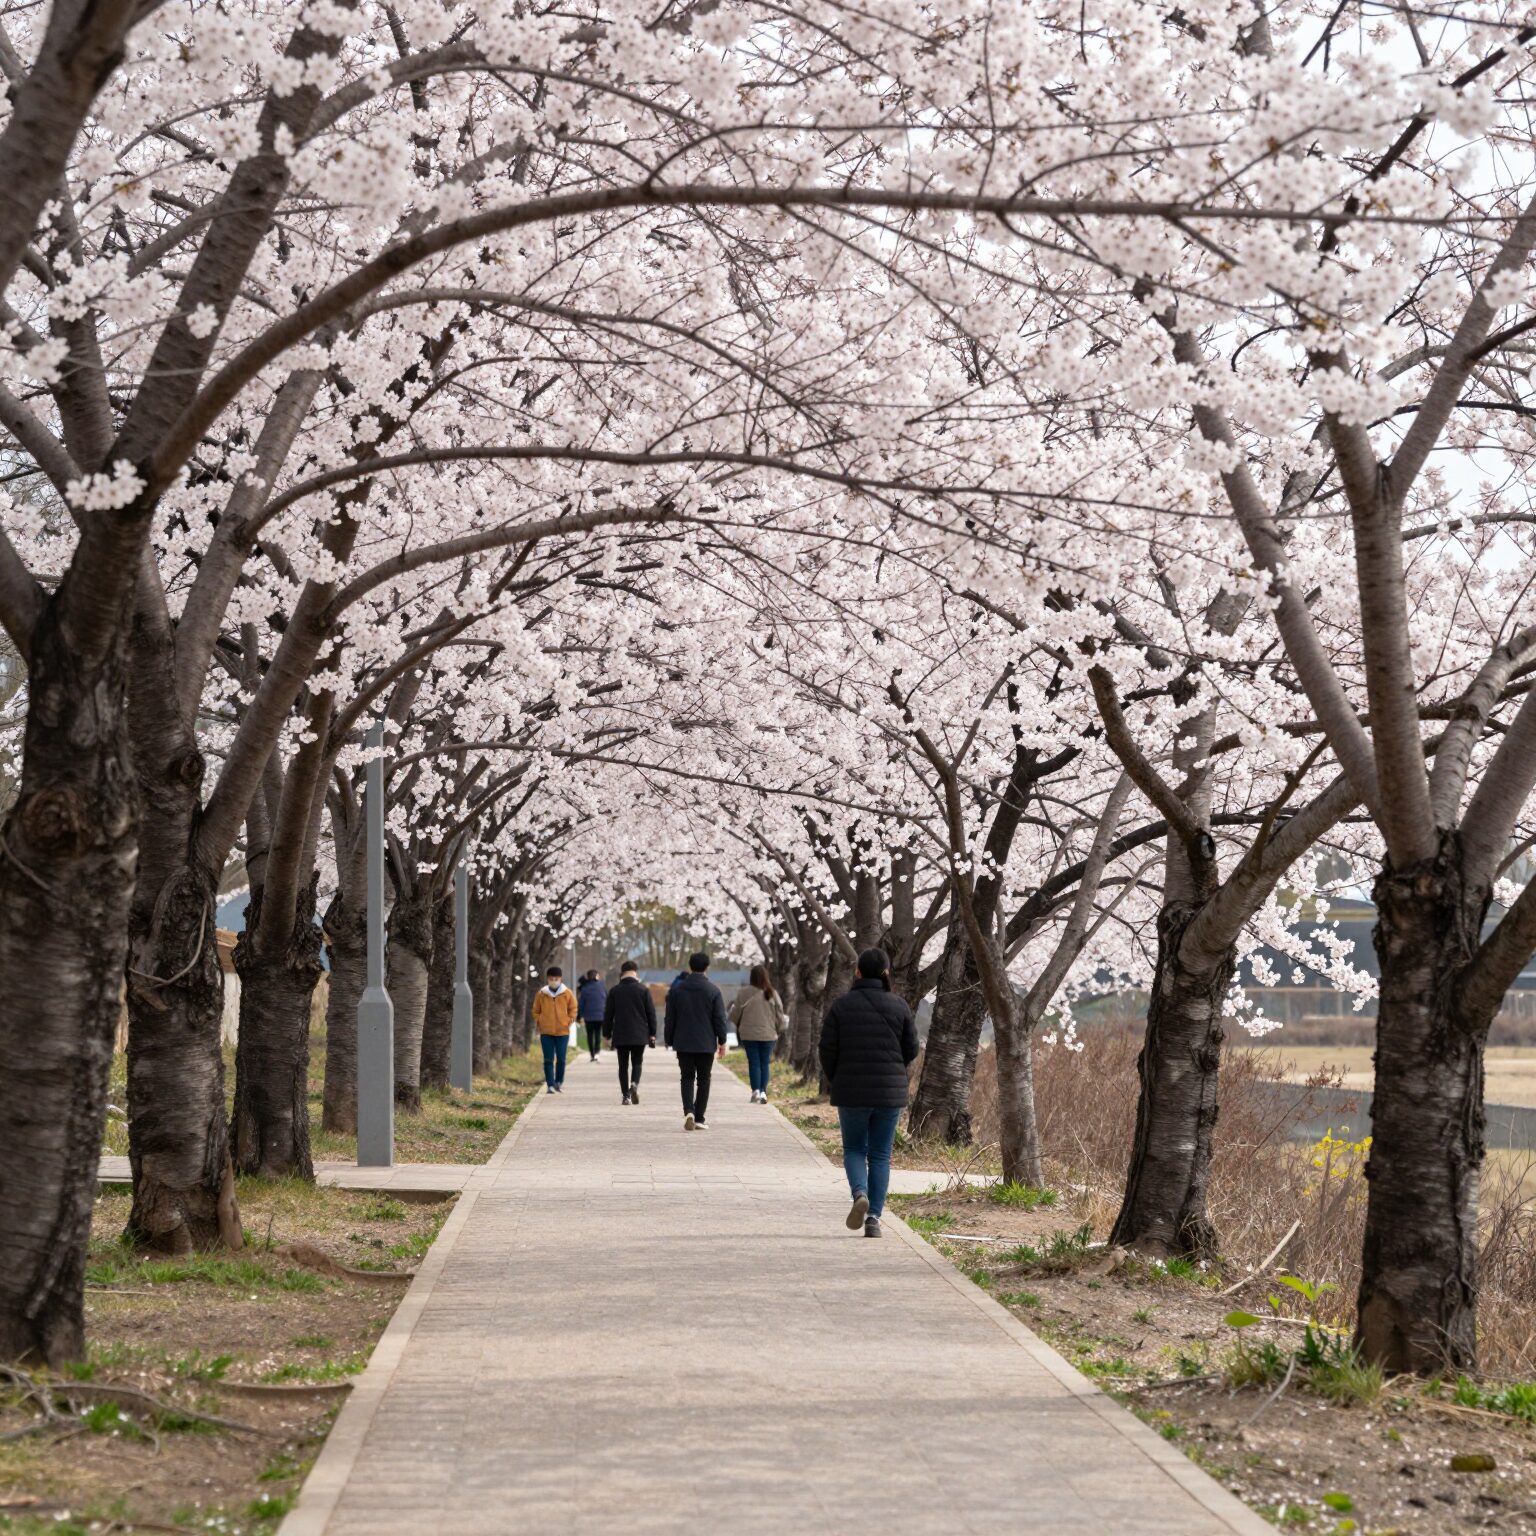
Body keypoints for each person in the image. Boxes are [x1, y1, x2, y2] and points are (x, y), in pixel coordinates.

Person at [819, 947, 919, 1238]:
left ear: (858, 972)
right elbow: (912, 1048)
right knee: (880, 1154)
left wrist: (836, 1078)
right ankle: (874, 1218)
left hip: (851, 1090)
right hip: (889, 1094)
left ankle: (859, 1193)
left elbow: (826, 1049)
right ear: (886, 973)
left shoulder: (841, 1006)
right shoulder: (899, 1006)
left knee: (854, 1149)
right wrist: (893, 1069)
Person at [664, 951, 728, 1131]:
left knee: (686, 1077)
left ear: (690, 966)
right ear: (707, 967)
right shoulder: (713, 990)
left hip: (683, 1042)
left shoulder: (677, 991)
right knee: (704, 1079)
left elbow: (670, 1019)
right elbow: (719, 1019)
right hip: (705, 1043)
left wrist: (669, 1039)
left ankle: (688, 1111)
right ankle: (699, 1117)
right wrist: (722, 1041)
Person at [730, 964, 786, 1104]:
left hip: (749, 1034)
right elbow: (779, 1013)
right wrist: (779, 1028)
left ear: (751, 977)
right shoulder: (772, 992)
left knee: (754, 1062)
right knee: (764, 1063)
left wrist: (738, 1023)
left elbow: (736, 1013)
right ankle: (763, 1092)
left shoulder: (743, 992)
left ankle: (755, 1090)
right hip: (768, 1034)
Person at [604, 960, 657, 1104]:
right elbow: (651, 1013)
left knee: (623, 1065)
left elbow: (608, 1014)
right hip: (639, 1033)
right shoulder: (643, 990)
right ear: (636, 972)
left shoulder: (615, 991)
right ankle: (634, 1084)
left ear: (622, 972)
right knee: (637, 1062)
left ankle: (626, 1096)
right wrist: (652, 1032)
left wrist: (607, 1034)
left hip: (621, 1033)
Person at [532, 965, 577, 1094]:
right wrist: (540, 1020)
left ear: (560, 979)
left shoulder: (567, 993)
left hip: (563, 1032)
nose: (553, 981)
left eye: (556, 979)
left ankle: (558, 1082)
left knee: (561, 1059)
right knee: (548, 1059)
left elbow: (573, 1009)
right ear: (548, 979)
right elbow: (535, 1010)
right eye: (551, 979)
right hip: (546, 1032)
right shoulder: (541, 994)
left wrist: (569, 1020)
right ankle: (550, 1084)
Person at [576, 968, 608, 1061]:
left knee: (590, 1035)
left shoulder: (585, 988)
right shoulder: (602, 987)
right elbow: (607, 1000)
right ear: (597, 976)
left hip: (588, 1016)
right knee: (598, 1034)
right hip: (600, 1015)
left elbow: (581, 1004)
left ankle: (592, 1054)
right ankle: (597, 1052)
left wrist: (579, 1016)